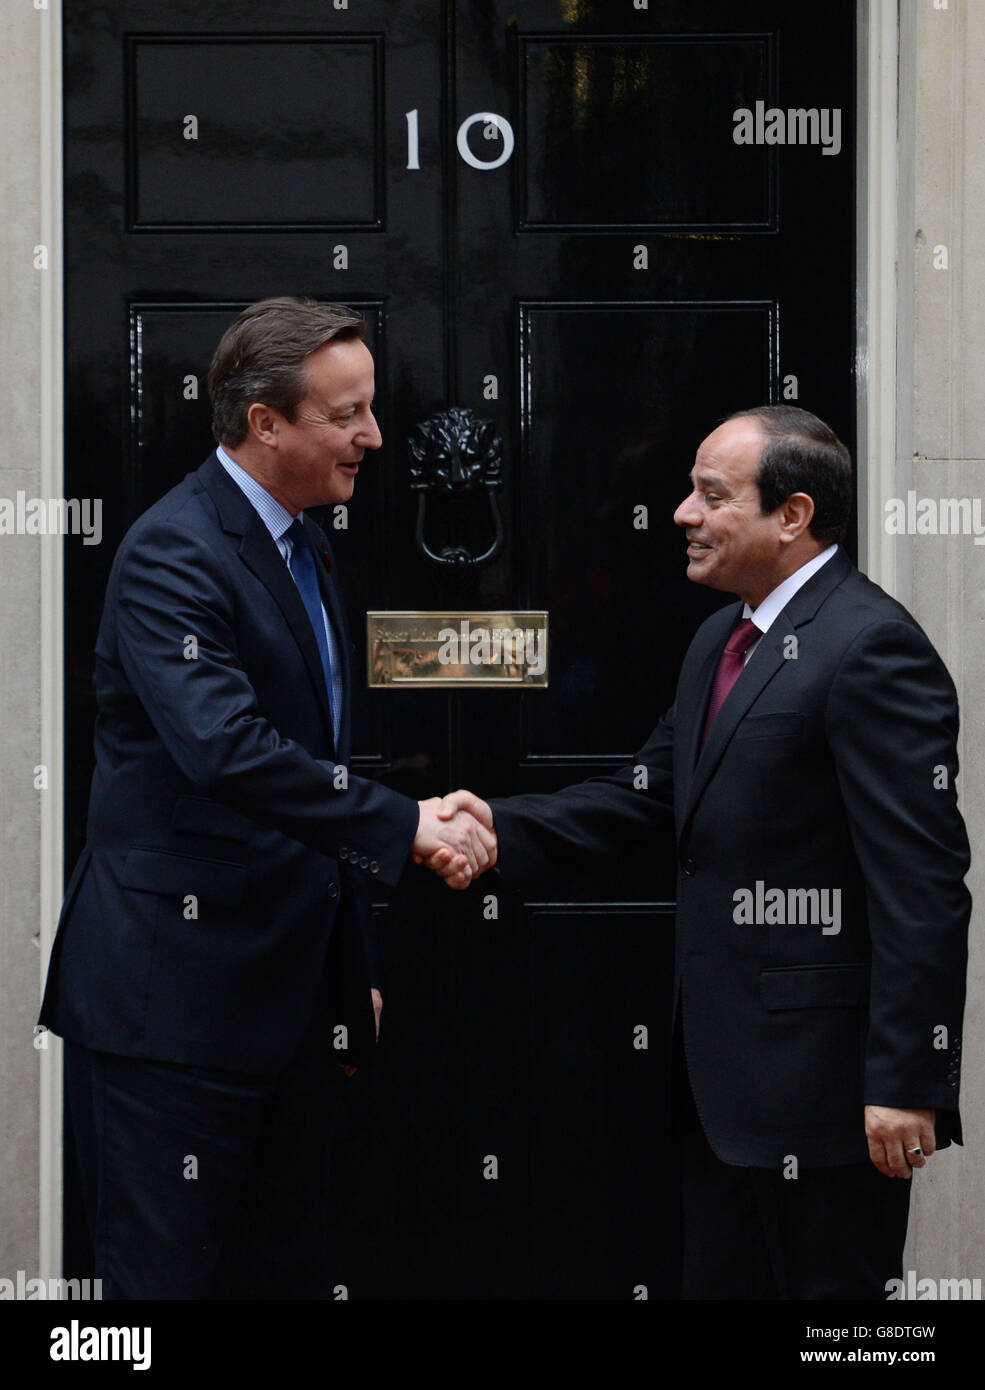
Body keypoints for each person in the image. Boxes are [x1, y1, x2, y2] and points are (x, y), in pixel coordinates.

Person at [428, 406, 971, 1300]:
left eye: (710, 495)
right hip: (721, 1089)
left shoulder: (870, 647)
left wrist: (907, 1080)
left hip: (826, 1094)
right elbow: (646, 796)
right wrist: (495, 827)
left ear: (791, 515)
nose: (681, 512)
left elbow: (924, 885)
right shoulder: (720, 639)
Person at [39, 296, 494, 1299]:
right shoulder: (174, 554)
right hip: (175, 1012)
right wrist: (408, 824)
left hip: (288, 1007)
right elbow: (229, 753)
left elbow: (307, 767)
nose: (374, 435)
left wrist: (345, 971)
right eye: (348, 414)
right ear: (265, 423)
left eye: (369, 409)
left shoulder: (307, 542)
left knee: (279, 1273)